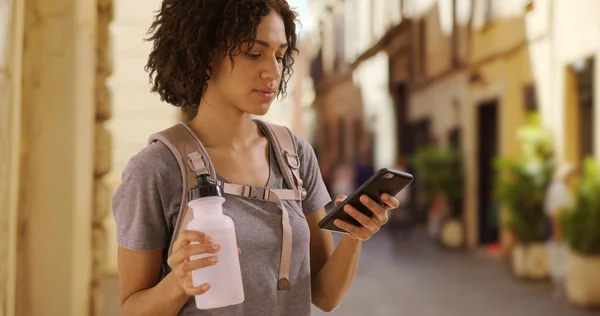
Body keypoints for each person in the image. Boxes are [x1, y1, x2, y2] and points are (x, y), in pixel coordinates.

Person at [111, 1, 400, 315]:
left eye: (279, 55)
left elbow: (325, 296)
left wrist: (354, 235)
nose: (273, 72)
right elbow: (132, 308)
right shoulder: (155, 169)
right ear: (205, 53)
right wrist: (178, 283)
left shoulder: (295, 156)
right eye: (253, 53)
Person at [544, 162, 576, 298]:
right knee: (559, 256)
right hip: (559, 227)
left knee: (559, 256)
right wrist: (558, 230)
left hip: (561, 227)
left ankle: (560, 286)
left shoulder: (561, 188)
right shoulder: (559, 189)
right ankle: (560, 286)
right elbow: (557, 212)